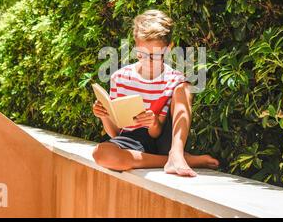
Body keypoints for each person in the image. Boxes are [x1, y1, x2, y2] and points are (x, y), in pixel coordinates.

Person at [92, 10, 219, 177]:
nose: (147, 61)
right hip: (133, 140)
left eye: (154, 56)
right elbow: (117, 133)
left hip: (165, 139)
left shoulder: (174, 80)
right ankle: (177, 160)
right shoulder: (120, 78)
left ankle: (177, 153)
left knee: (184, 88)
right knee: (100, 154)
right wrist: (104, 115)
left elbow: (157, 134)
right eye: (141, 55)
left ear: (168, 50)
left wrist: (153, 124)